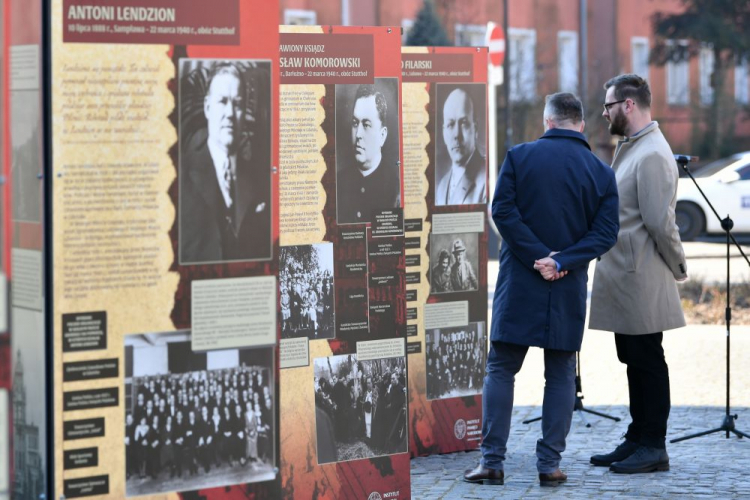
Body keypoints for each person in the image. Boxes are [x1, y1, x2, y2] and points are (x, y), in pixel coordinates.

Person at [464, 93, 619, 488]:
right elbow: (605, 234)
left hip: (520, 281)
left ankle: (491, 463)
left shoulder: (519, 156)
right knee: (561, 372)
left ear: (547, 122)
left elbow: (502, 212)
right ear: (581, 125)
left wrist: (537, 256)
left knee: (501, 367)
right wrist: (562, 261)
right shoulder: (602, 173)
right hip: (567, 286)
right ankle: (549, 465)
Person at [588, 74, 688, 474]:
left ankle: (654, 444)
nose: (605, 113)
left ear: (629, 105)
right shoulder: (634, 147)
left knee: (647, 359)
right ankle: (637, 436)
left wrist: (679, 266)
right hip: (627, 274)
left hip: (642, 274)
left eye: (609, 105)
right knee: (632, 357)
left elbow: (661, 223)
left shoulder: (651, 154)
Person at [180, 62, 271, 264]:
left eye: (237, 103)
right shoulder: (181, 174)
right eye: (222, 101)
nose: (230, 113)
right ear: (207, 107)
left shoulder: (259, 179)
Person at [337, 83, 400, 224]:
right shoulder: (338, 183)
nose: (358, 134)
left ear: (382, 136)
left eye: (366, 125)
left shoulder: (395, 188)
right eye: (355, 123)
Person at [436, 87, 487, 205]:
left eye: (463, 123)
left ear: (476, 128)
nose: (457, 135)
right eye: (450, 125)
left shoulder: (486, 180)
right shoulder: (442, 186)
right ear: (444, 133)